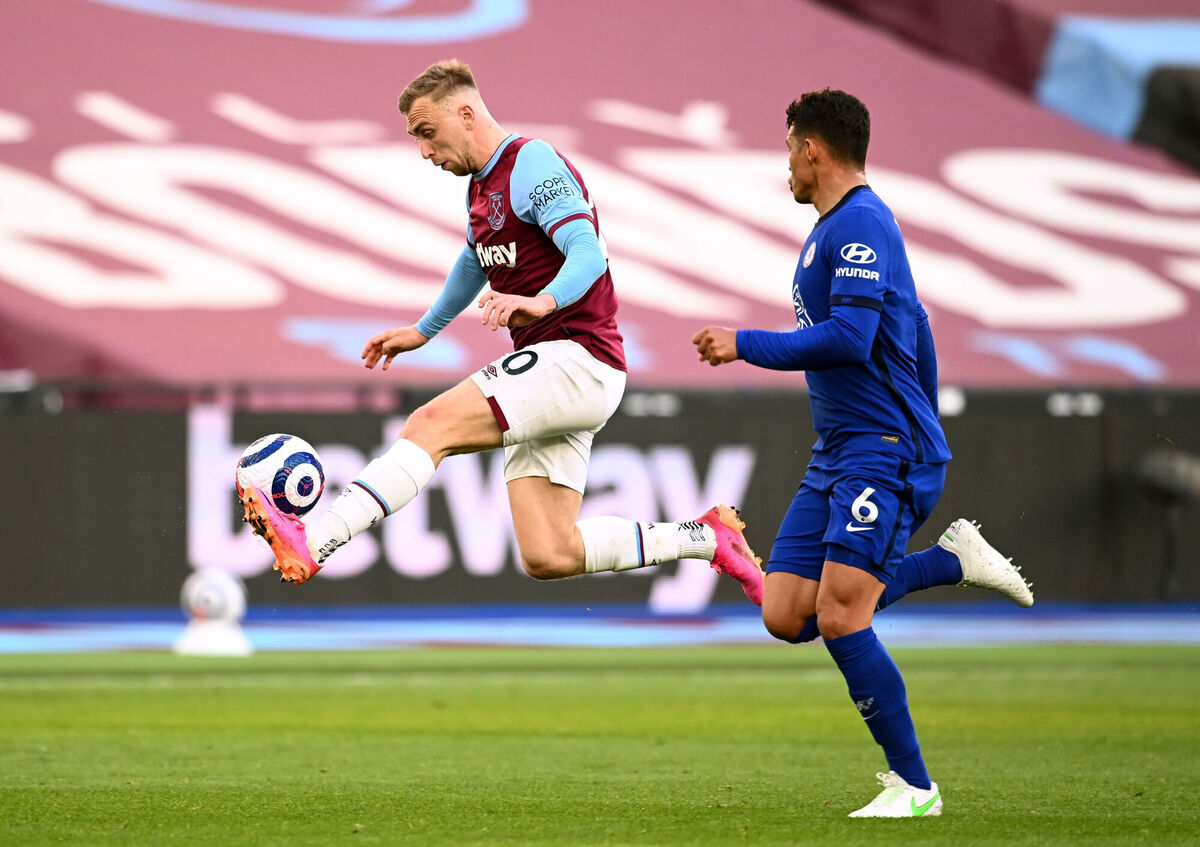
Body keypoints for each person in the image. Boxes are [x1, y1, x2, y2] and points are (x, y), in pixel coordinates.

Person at [240, 59, 764, 606]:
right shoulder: (480, 189)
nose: (424, 151)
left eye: (427, 133)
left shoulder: (530, 162)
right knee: (549, 553)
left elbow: (587, 251)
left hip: (577, 357)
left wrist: (540, 301)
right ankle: (704, 537)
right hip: (565, 372)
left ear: (465, 114)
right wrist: (423, 331)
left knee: (430, 424)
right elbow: (474, 262)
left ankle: (317, 540)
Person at [692, 89, 1032, 818]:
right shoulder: (834, 230)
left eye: (788, 147)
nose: (785, 163)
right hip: (841, 451)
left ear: (813, 148)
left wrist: (744, 344)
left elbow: (850, 338)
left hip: (881, 451)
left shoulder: (862, 225)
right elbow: (919, 328)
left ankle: (916, 787)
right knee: (786, 612)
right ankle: (949, 561)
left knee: (844, 617)